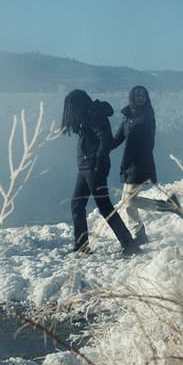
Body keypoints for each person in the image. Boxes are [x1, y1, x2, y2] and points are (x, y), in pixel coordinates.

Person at [62, 89, 140, 256]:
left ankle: (128, 243)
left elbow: (105, 140)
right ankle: (82, 246)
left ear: (78, 103)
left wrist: (98, 163)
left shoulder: (94, 115)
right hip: (85, 167)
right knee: (77, 205)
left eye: (71, 105)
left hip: (92, 167)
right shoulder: (88, 115)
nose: (70, 110)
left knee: (104, 206)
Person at [112, 85, 183, 245]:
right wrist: (101, 146)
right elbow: (117, 139)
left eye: (143, 95)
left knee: (129, 201)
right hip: (129, 164)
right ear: (132, 97)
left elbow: (148, 143)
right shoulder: (127, 117)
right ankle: (139, 233)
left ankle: (169, 207)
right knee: (127, 202)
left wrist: (140, 163)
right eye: (138, 95)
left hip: (140, 164)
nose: (141, 98)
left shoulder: (147, 117)